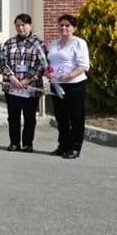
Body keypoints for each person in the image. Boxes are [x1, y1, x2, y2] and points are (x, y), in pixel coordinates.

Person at [0, 14, 46, 152]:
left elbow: (42, 64)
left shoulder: (38, 43)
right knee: (13, 116)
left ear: (30, 25)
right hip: (12, 86)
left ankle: (27, 143)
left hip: (31, 86)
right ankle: (14, 143)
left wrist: (27, 79)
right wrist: (12, 77)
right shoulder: (9, 43)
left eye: (23, 25)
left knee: (29, 116)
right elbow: (2, 62)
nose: (20, 28)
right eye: (18, 25)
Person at [47, 14, 90, 160]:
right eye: (61, 25)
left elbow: (84, 65)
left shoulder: (79, 43)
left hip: (74, 85)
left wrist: (70, 76)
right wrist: (48, 72)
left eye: (67, 25)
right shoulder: (53, 43)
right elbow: (50, 62)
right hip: (57, 85)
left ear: (74, 28)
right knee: (61, 117)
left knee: (76, 117)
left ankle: (75, 147)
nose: (64, 28)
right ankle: (63, 145)